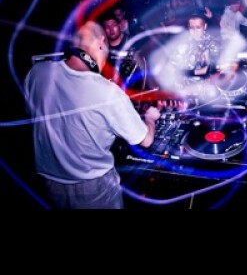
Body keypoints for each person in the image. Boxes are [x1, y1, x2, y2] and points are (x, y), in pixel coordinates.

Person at [24, 21, 160, 209]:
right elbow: (145, 140)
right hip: (94, 189)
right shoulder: (107, 92)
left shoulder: (38, 73)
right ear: (101, 42)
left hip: (48, 184)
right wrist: (150, 118)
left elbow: (33, 114)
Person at [100, 11, 147, 90]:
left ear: (119, 26)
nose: (111, 29)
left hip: (137, 91)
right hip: (114, 92)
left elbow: (145, 67)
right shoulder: (102, 49)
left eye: (114, 25)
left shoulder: (132, 42)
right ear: (103, 30)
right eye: (107, 27)